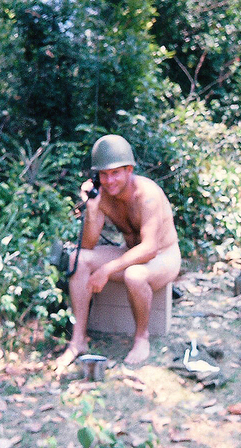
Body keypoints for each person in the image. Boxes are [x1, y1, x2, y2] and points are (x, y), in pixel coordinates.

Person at [55, 134, 181, 371]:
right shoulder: (103, 194)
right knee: (78, 259)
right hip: (131, 253)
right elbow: (88, 246)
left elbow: (150, 248)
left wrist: (107, 269)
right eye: (104, 174)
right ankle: (78, 340)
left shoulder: (147, 195)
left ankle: (141, 338)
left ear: (129, 170)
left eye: (115, 173)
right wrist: (92, 208)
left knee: (135, 275)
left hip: (163, 256)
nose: (109, 180)